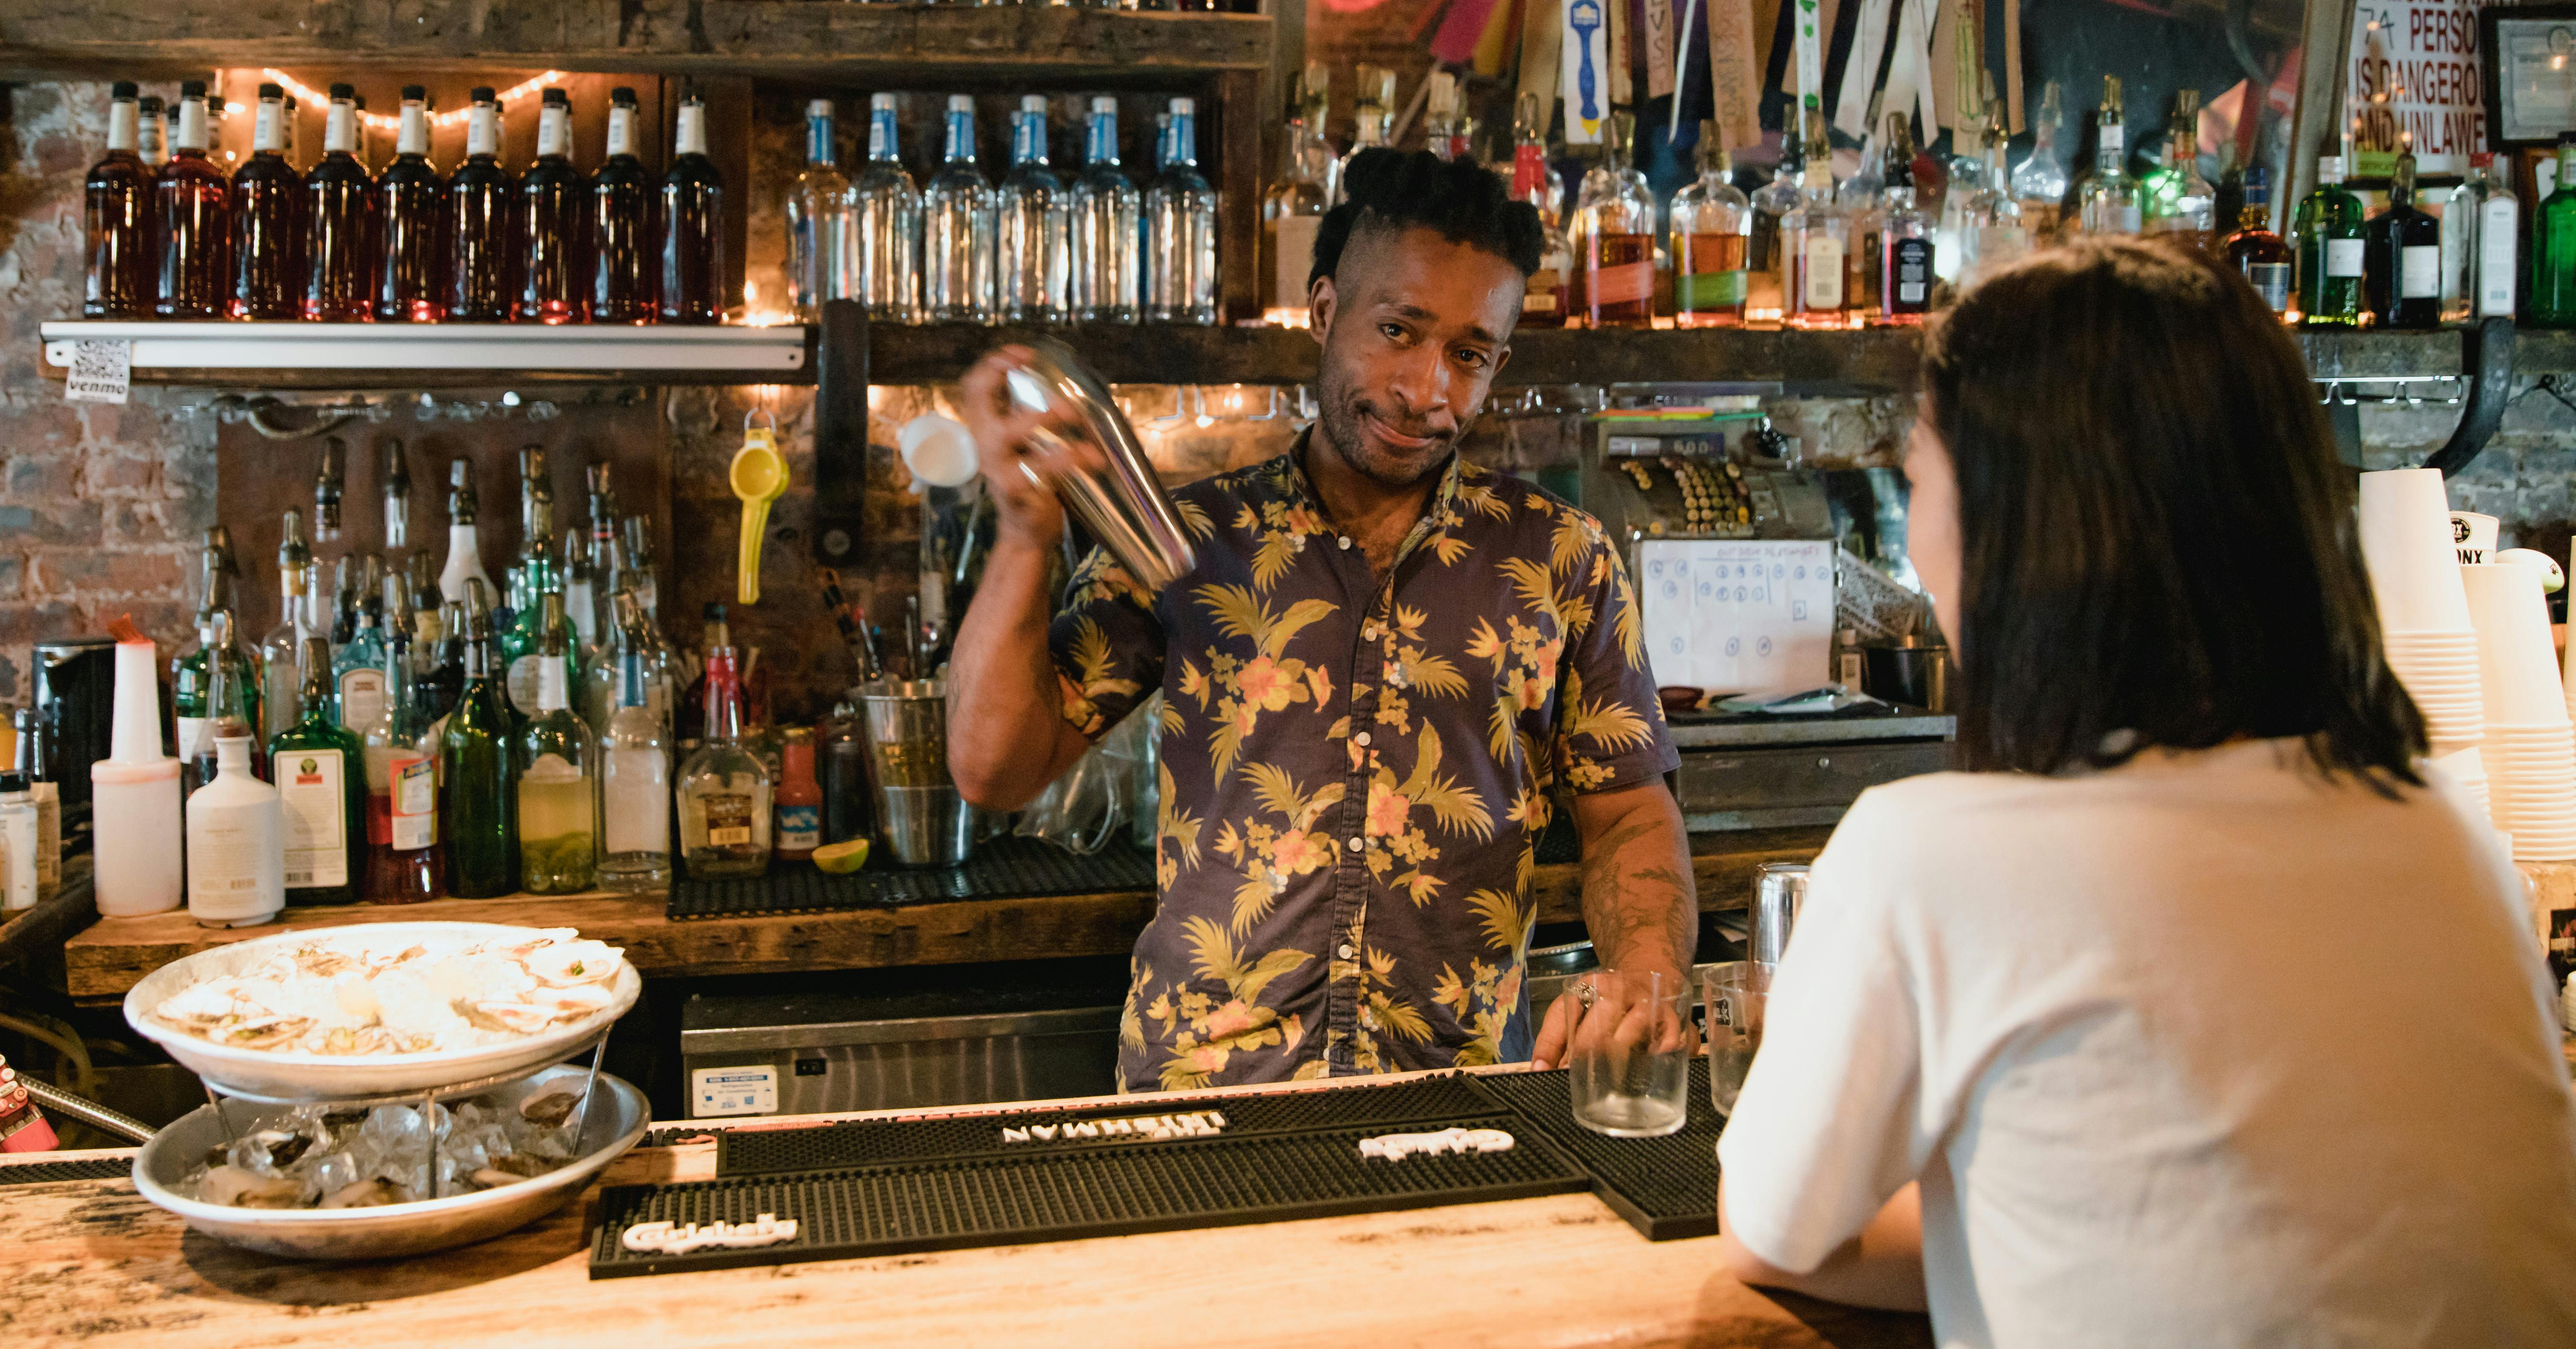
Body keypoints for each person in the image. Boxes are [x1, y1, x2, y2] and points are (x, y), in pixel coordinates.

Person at [1717, 238, 2576, 1344]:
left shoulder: (1929, 857)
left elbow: (1777, 1231)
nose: (1920, 546)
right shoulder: (2447, 841)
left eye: (1921, 477)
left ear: (2018, 531)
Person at [952, 146, 1695, 1091]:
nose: (1426, 388)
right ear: (1324, 310)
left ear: (1499, 363)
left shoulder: (1562, 559)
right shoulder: (1190, 540)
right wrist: (1025, 534)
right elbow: (995, 766)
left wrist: (1644, 971)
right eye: (1397, 329)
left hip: (1455, 1094)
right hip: (1206, 1095)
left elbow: (1629, 811)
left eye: (1467, 354)